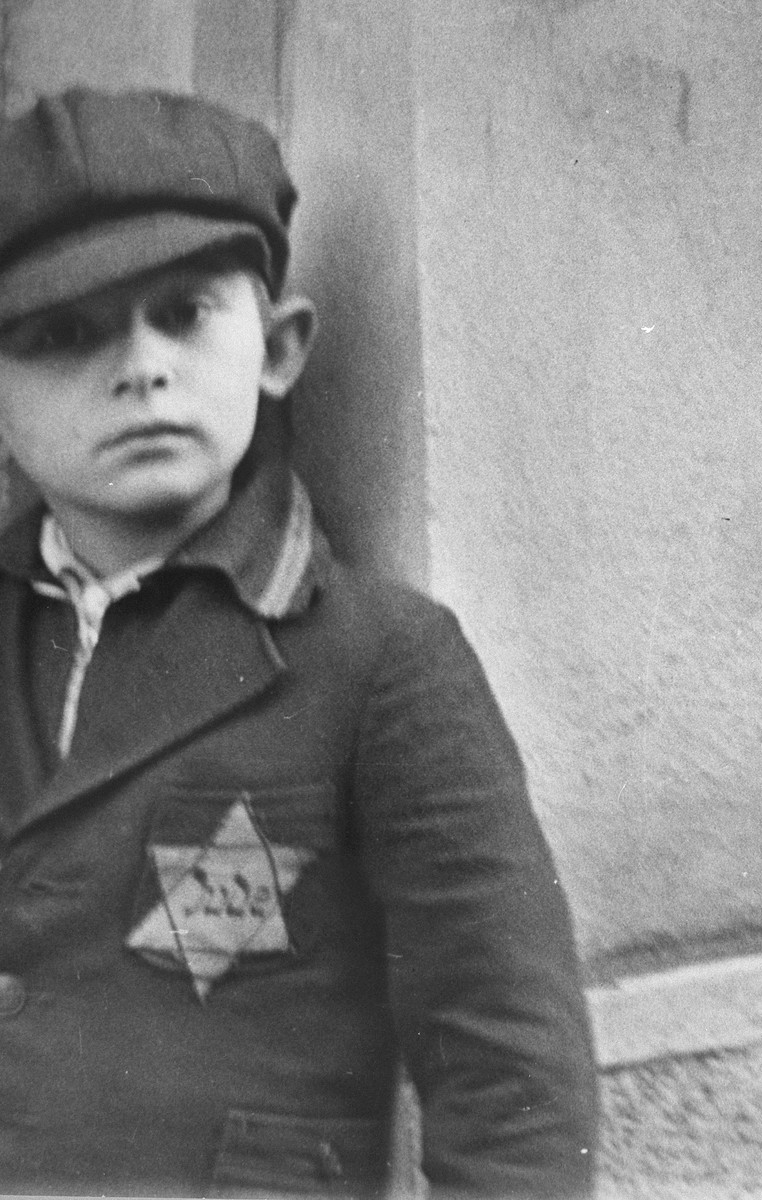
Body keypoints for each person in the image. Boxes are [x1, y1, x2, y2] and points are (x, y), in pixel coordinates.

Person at [0, 87, 597, 1198]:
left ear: (277, 349)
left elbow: (509, 1070)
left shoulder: (380, 662)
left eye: (182, 314)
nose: (140, 368)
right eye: (61, 334)